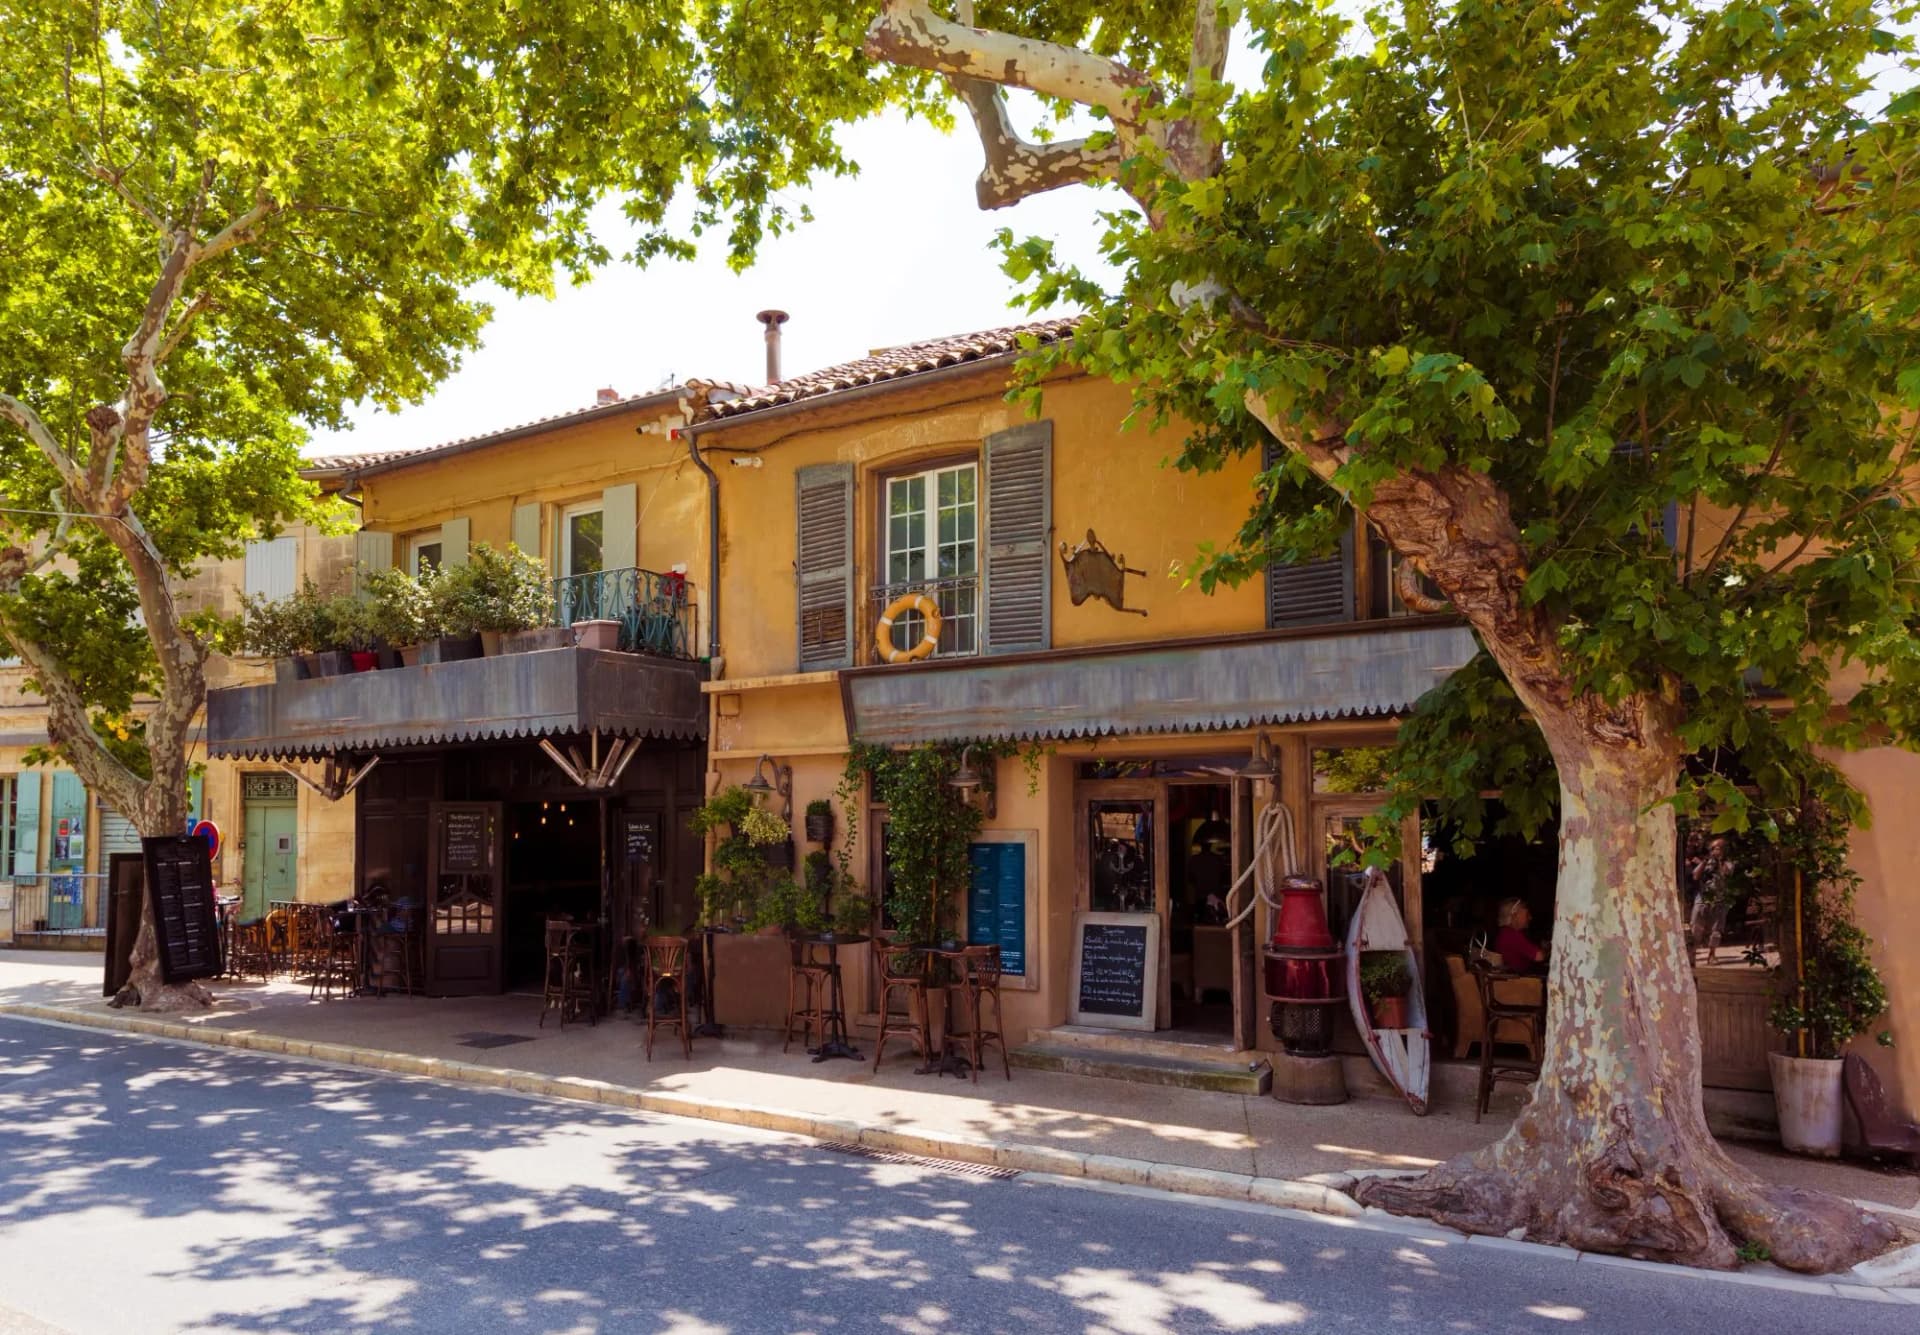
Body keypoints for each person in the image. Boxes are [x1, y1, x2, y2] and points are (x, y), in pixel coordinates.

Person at [1494, 898, 1546, 972]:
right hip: (1515, 979)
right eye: (1527, 914)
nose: (1530, 918)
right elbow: (1539, 957)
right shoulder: (1512, 935)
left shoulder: (1505, 932)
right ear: (1515, 915)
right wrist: (1547, 948)